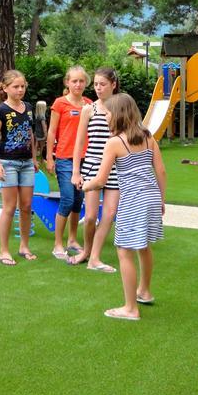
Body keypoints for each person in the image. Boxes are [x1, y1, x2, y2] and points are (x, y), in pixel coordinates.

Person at [81, 93, 166, 321]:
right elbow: (161, 172)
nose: (105, 116)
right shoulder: (148, 137)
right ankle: (144, 292)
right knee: (144, 246)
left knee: (123, 251)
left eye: (107, 113)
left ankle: (130, 308)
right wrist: (162, 200)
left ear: (117, 115)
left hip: (134, 201)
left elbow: (100, 180)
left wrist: (85, 185)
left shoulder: (115, 143)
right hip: (151, 198)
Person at [70, 67, 121, 272]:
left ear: (113, 85)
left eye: (103, 84)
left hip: (116, 168)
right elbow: (80, 142)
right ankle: (86, 251)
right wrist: (76, 171)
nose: (98, 88)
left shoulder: (121, 108)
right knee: (90, 216)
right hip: (92, 166)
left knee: (108, 215)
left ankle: (95, 257)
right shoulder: (88, 109)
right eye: (96, 84)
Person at [0, 69, 38, 266]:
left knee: (26, 206)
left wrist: (34, 158)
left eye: (22, 86)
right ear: (6, 88)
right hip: (7, 163)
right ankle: (4, 250)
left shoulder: (29, 108)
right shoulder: (1, 110)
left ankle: (24, 246)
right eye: (16, 86)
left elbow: (31, 135)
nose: (20, 90)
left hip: (26, 164)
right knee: (9, 207)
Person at [45, 66, 92, 260]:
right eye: (74, 81)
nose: (78, 84)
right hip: (64, 158)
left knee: (79, 200)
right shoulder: (60, 104)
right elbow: (51, 132)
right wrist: (49, 157)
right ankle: (57, 244)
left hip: (85, 159)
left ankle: (72, 240)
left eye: (81, 81)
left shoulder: (90, 104)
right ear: (67, 82)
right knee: (67, 198)